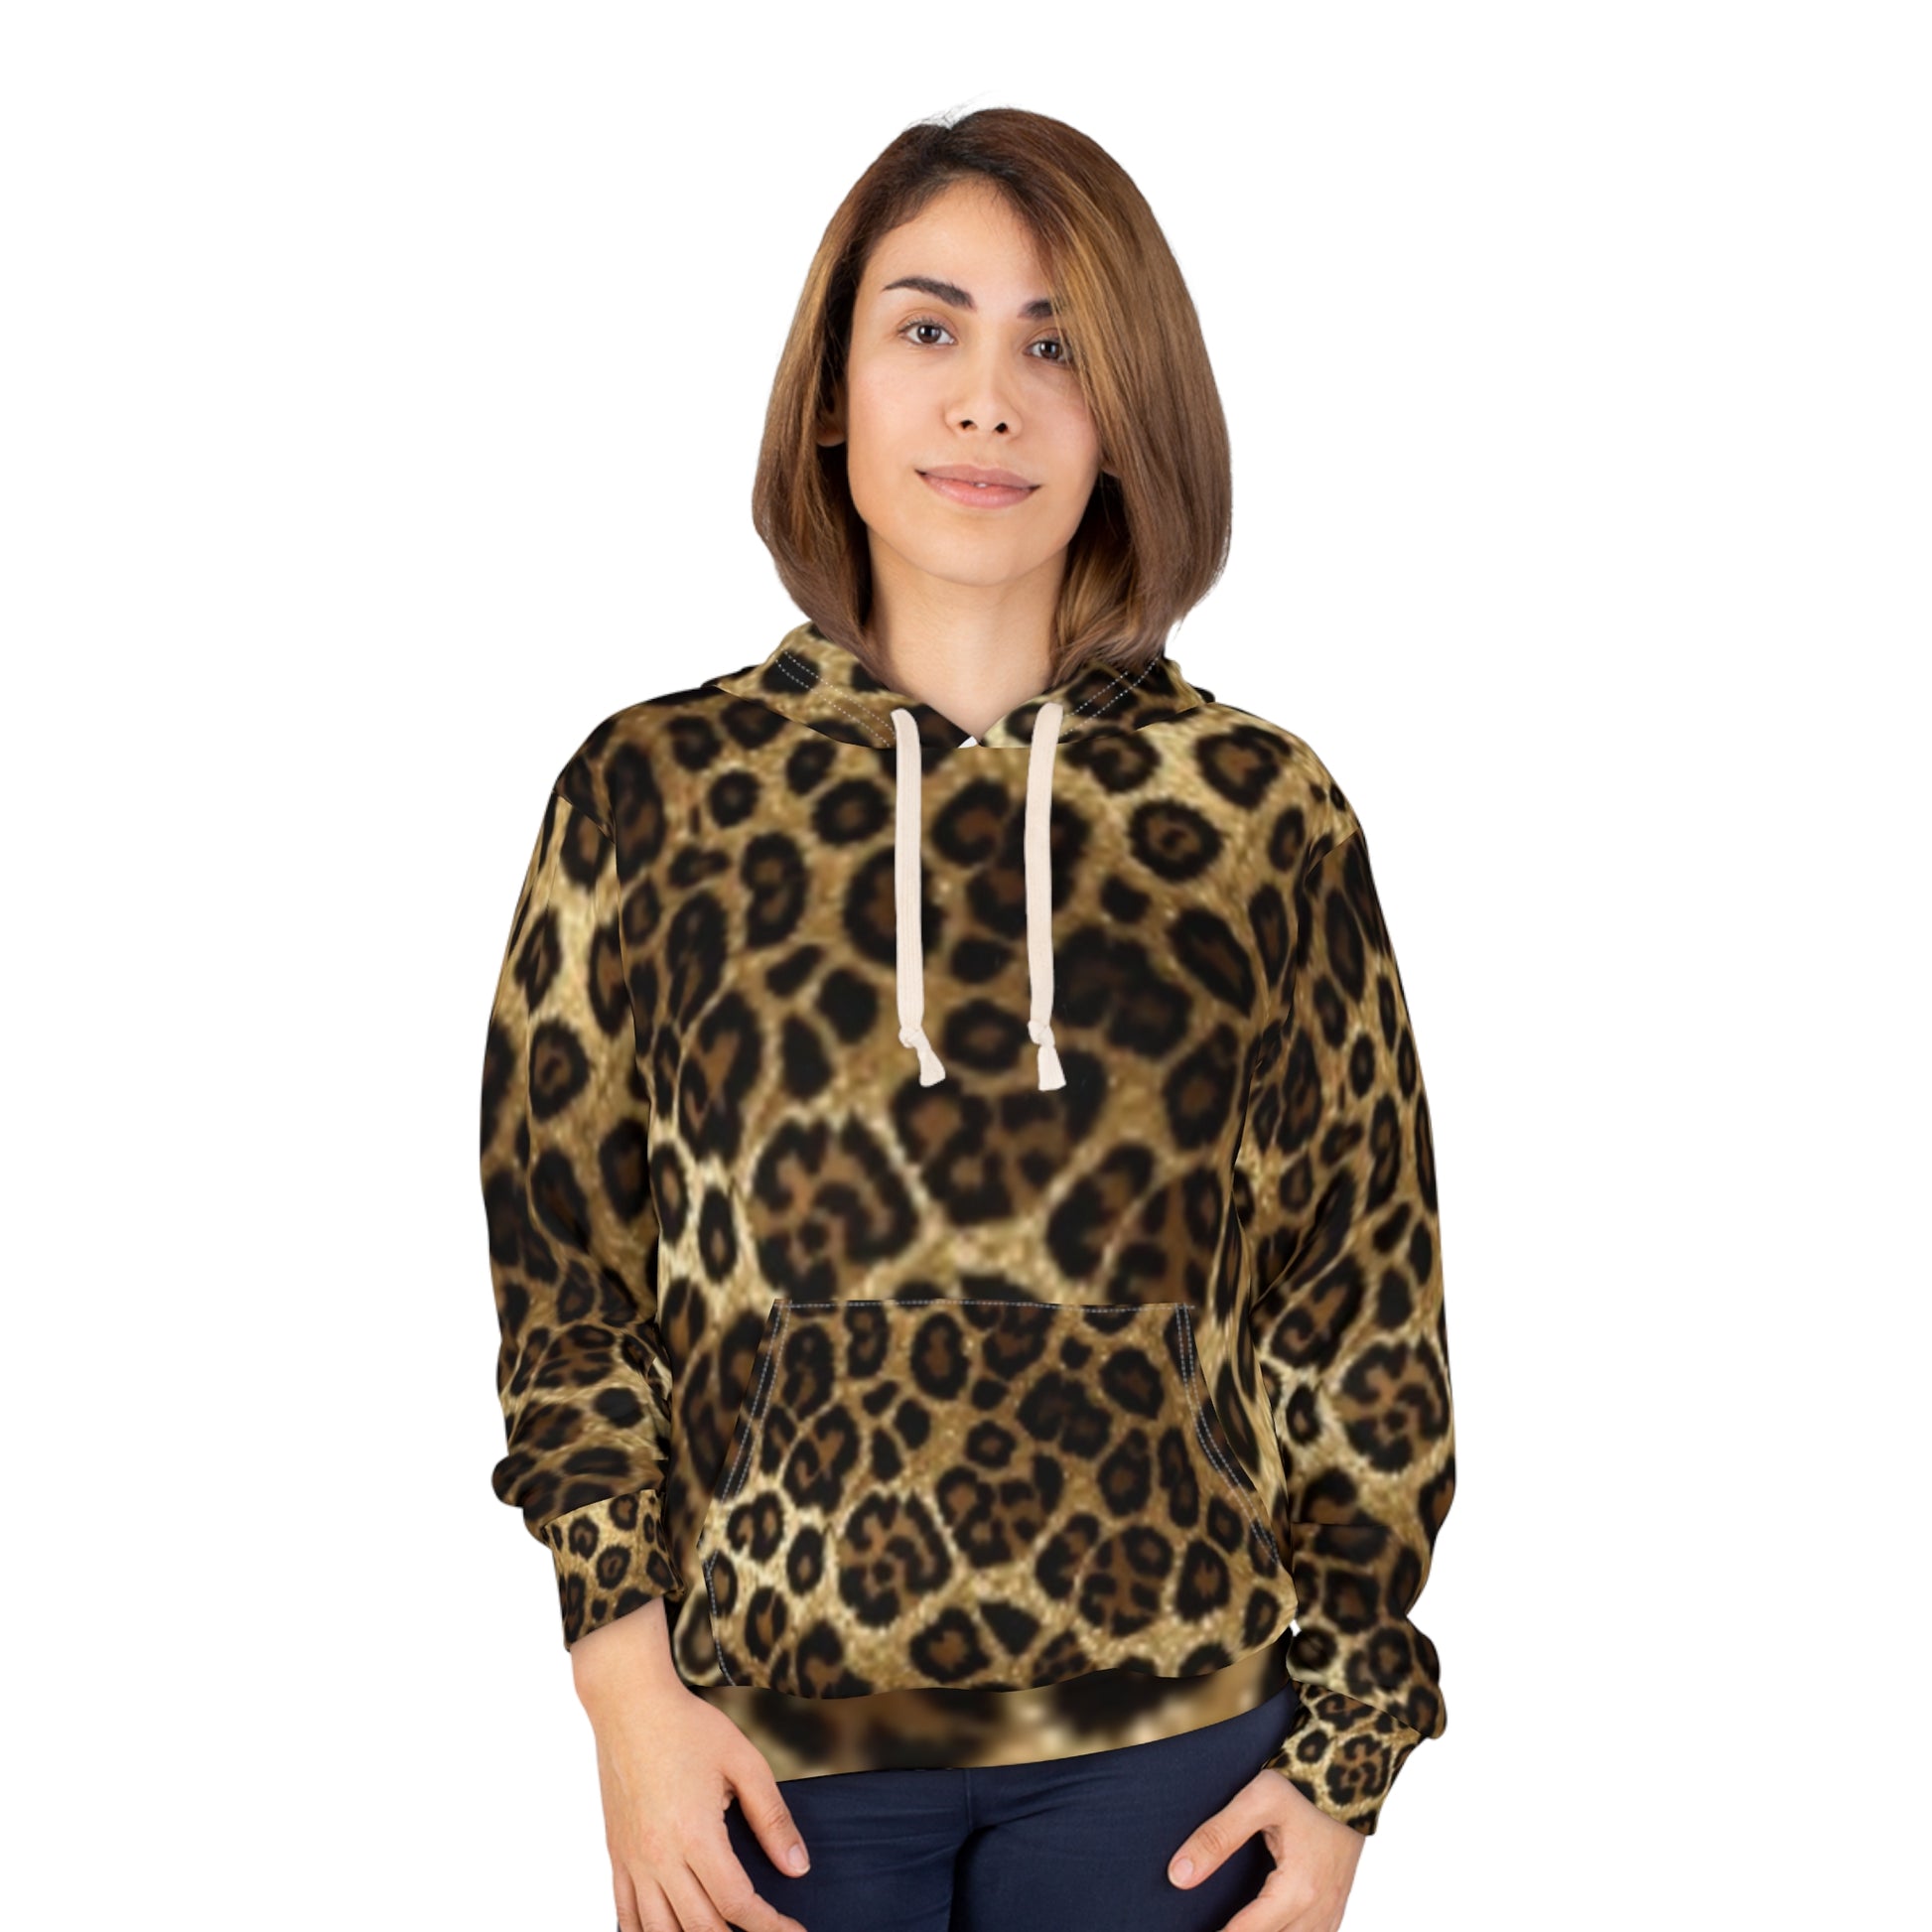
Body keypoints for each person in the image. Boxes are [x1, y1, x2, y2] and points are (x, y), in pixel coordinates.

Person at [478, 106, 1455, 1932]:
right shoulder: (651, 793)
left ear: (1129, 414)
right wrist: (623, 1691)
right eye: (927, 327)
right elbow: (565, 1281)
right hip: (756, 1751)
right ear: (831, 396)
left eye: (1057, 346)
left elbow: (1360, 1299)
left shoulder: (1262, 811)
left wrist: (1346, 1755)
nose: (988, 401)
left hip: (1178, 1751)